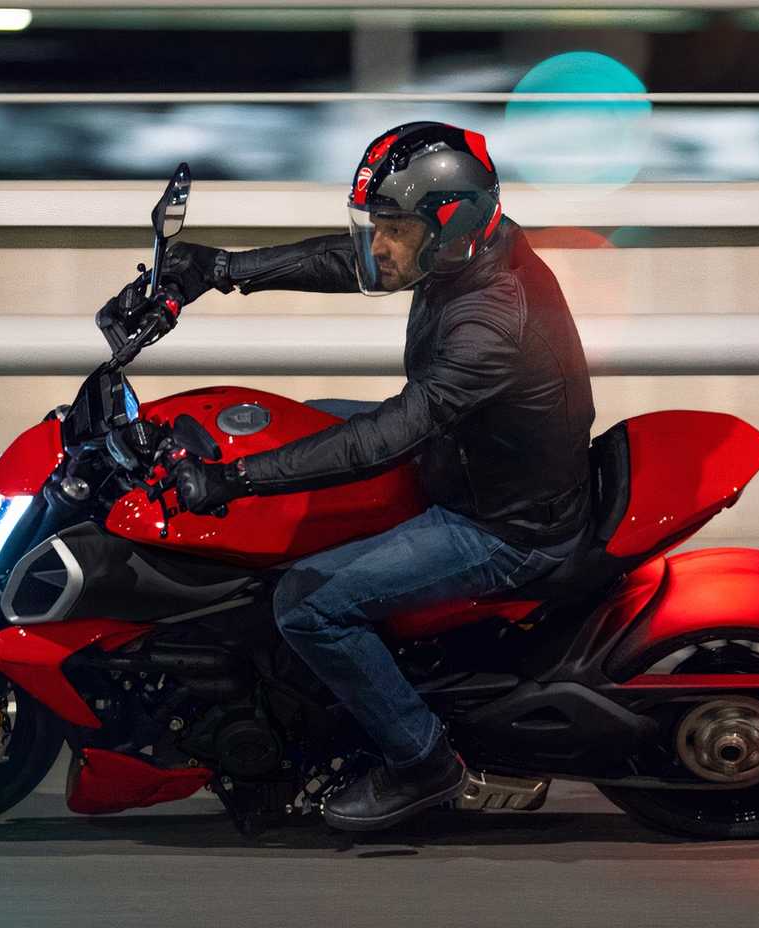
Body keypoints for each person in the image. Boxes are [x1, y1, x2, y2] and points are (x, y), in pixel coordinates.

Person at [136, 121, 595, 831]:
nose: (377, 243)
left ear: (446, 225)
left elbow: (390, 435)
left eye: (392, 228)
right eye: (375, 225)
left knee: (307, 601)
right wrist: (223, 271)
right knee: (300, 421)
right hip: (467, 459)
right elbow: (354, 264)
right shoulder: (465, 253)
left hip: (504, 525)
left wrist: (236, 481)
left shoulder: (490, 321)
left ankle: (423, 763)